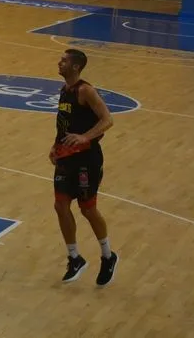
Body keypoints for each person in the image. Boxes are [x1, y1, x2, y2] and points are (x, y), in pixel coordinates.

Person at [50, 49, 118, 286]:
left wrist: (85, 137)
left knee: (87, 209)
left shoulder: (85, 90)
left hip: (87, 160)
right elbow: (64, 123)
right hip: (65, 158)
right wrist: (55, 145)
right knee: (60, 205)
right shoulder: (64, 90)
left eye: (64, 60)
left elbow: (108, 119)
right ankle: (74, 258)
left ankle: (108, 256)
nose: (59, 62)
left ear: (76, 67)